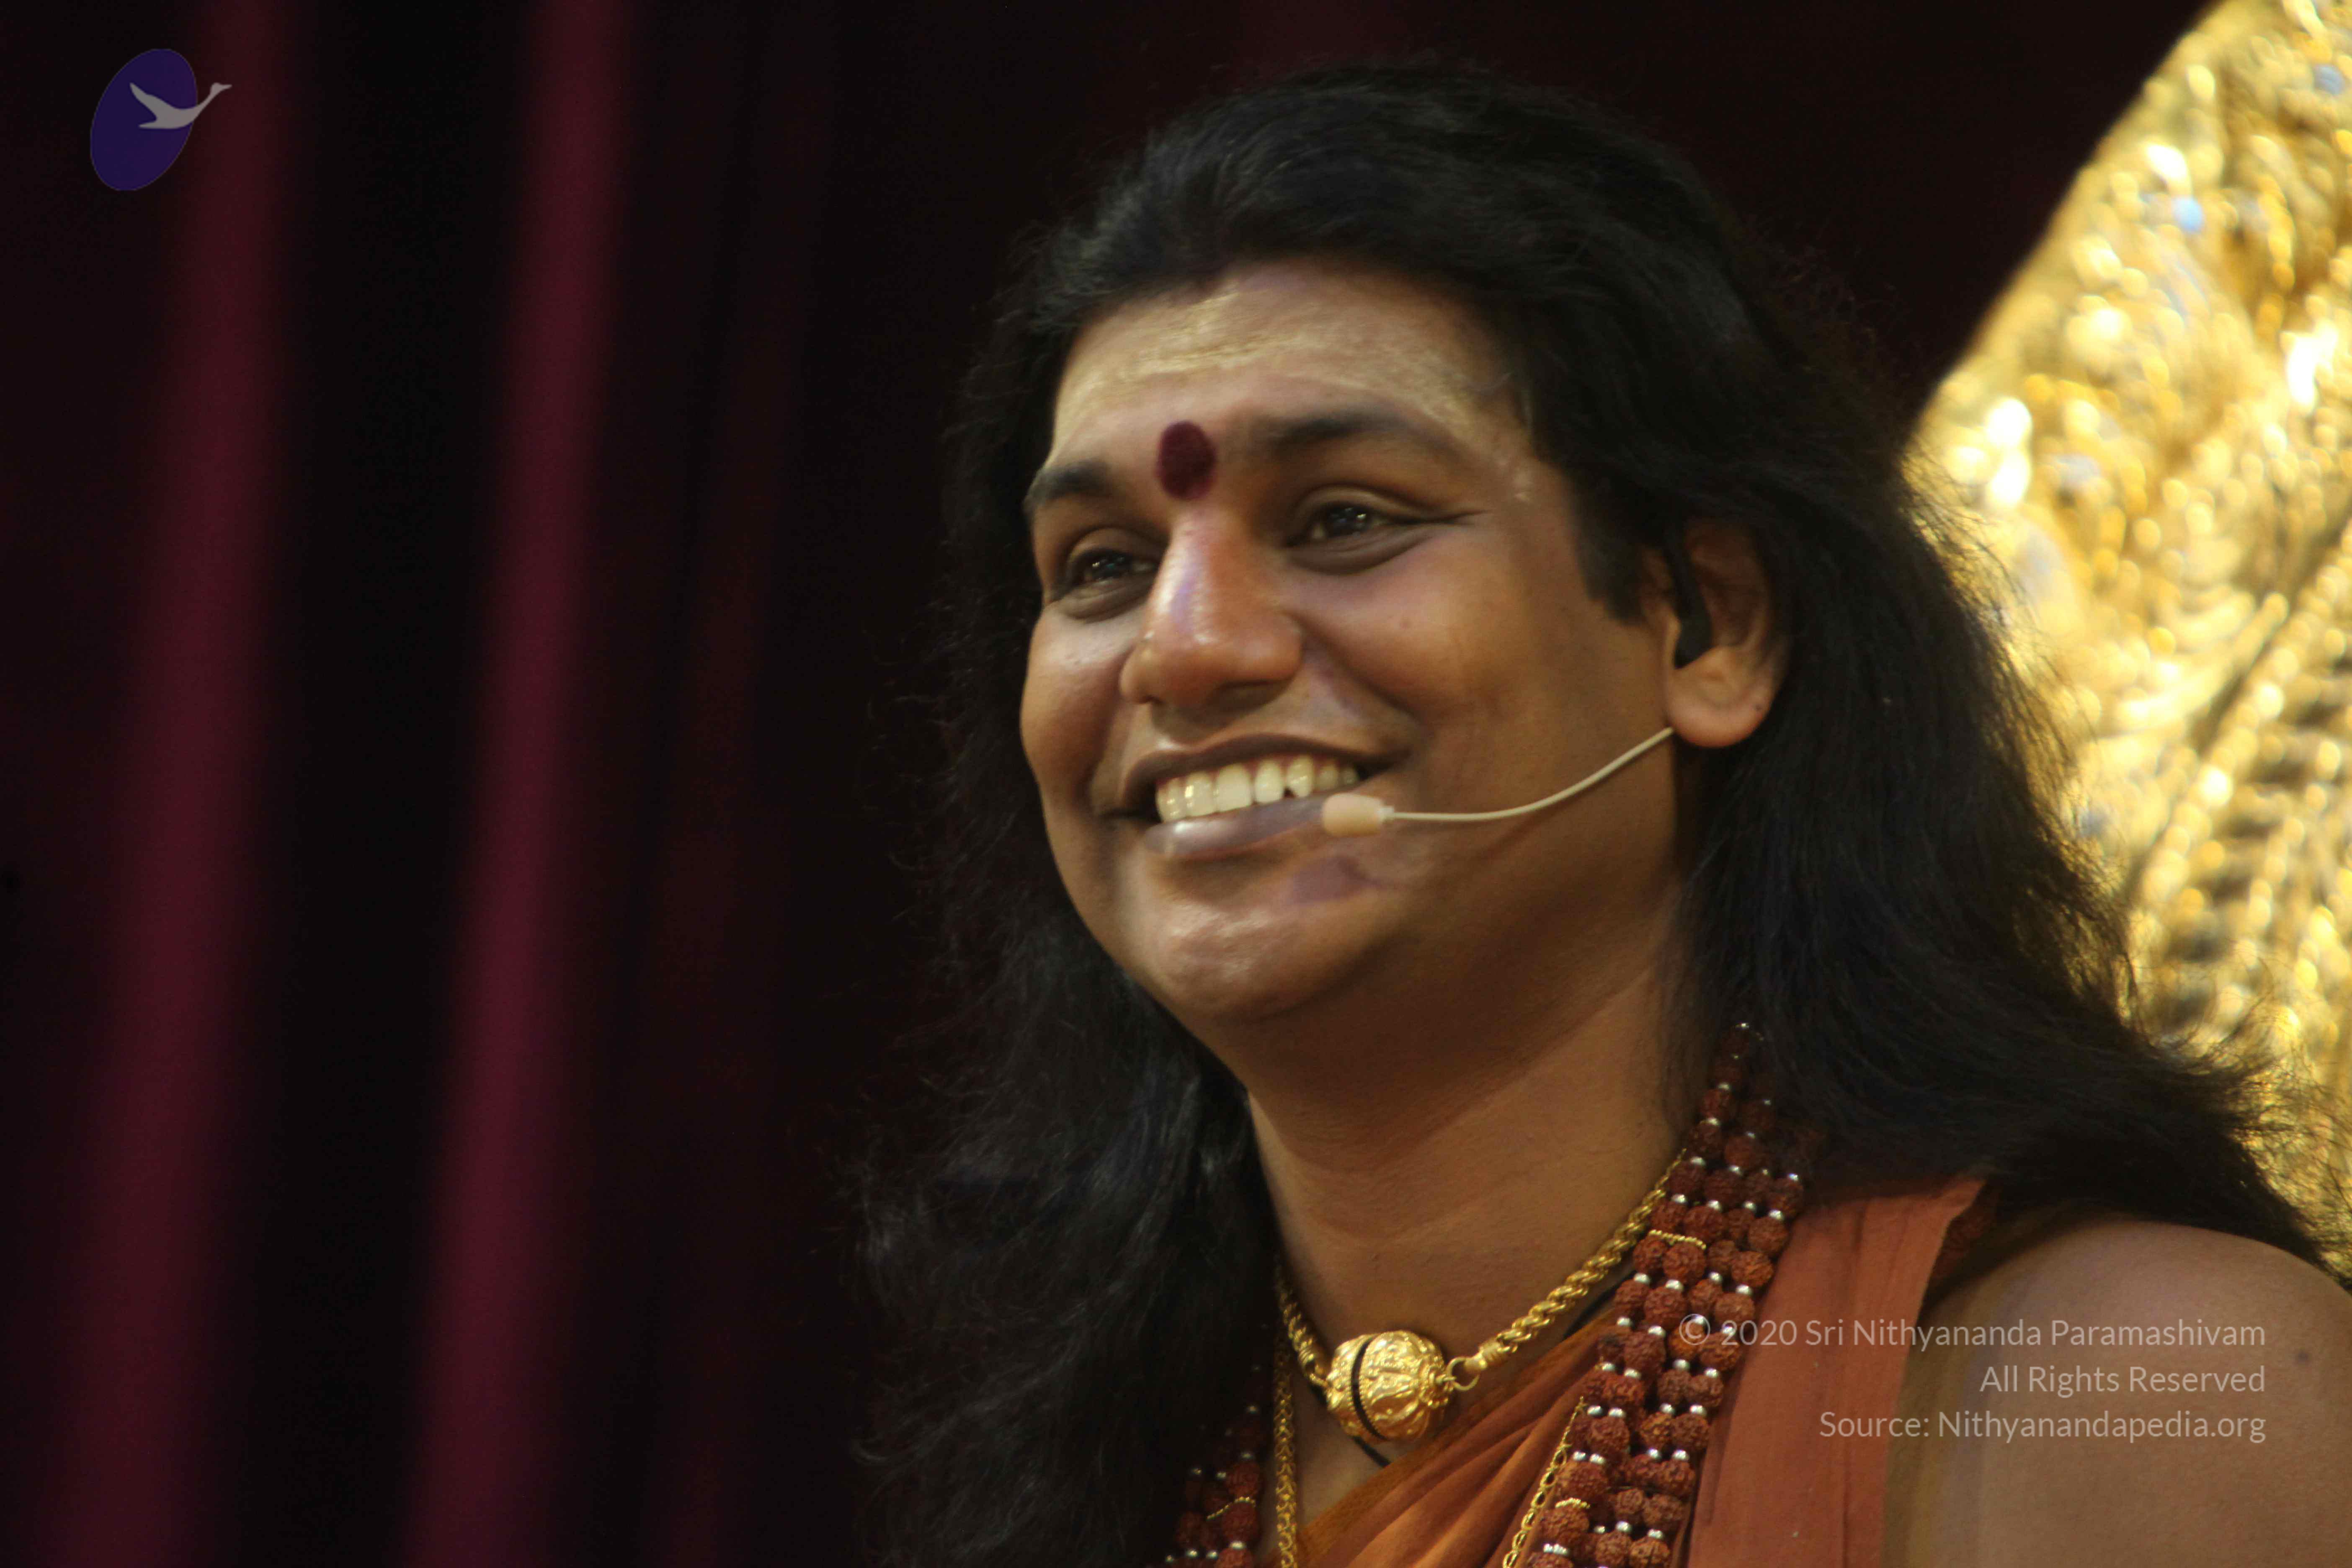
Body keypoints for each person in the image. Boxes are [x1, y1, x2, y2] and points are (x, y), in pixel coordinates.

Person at [861, 59, 2352, 1568]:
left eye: (1343, 520)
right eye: (1103, 565)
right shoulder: (1095, 1451)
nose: (1185, 648)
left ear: (1710, 627)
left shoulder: (2143, 1404)